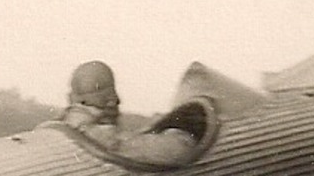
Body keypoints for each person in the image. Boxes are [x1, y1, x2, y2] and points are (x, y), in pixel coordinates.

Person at [40, 60, 200, 167]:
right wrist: (180, 135)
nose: (118, 101)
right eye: (111, 95)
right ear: (110, 100)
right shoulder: (98, 135)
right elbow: (178, 150)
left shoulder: (63, 127)